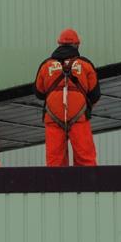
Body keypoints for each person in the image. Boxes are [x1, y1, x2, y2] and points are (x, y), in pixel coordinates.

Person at [34, 28, 100, 166]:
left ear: (59, 44)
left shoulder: (46, 66)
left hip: (53, 117)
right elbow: (95, 95)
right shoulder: (85, 65)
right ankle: (86, 184)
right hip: (79, 117)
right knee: (86, 160)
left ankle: (57, 186)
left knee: (55, 163)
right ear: (77, 45)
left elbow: (39, 93)